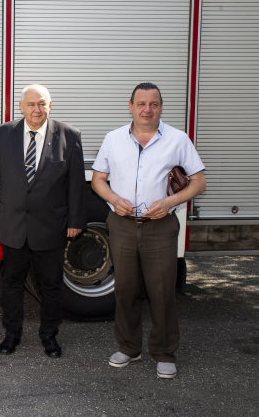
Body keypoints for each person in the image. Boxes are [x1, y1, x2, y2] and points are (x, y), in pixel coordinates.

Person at [91, 82, 206, 380]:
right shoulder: (113, 138)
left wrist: (170, 201)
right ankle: (129, 347)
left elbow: (198, 182)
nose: (147, 109)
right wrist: (114, 200)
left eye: (153, 104)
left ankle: (164, 352)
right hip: (122, 226)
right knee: (126, 290)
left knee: (162, 292)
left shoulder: (178, 140)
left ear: (161, 107)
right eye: (141, 103)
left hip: (160, 228)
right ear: (130, 106)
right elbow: (98, 179)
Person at [0, 84, 85, 359]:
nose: (37, 109)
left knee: (51, 285)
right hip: (14, 225)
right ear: (21, 106)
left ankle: (49, 335)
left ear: (50, 105)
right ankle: (11, 334)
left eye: (42, 104)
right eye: (31, 104)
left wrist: (76, 220)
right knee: (11, 283)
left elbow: (75, 183)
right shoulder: (3, 133)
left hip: (51, 226)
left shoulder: (69, 135)